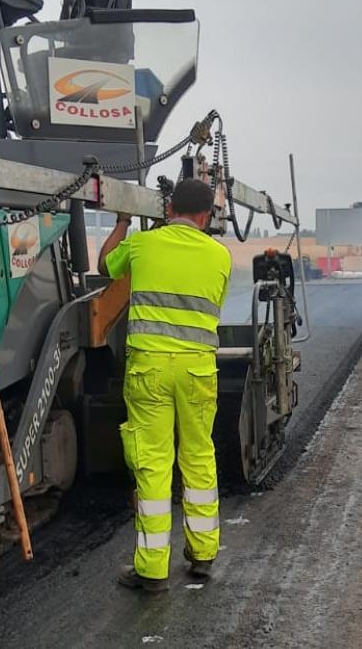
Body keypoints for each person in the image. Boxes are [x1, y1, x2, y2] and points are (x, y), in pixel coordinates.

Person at [98, 178, 232, 592]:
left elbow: (105, 266)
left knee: (154, 464)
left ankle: (153, 571)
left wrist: (123, 221)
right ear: (207, 216)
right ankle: (203, 554)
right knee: (198, 457)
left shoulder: (143, 244)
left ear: (169, 207)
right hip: (197, 372)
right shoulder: (221, 256)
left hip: (150, 370)